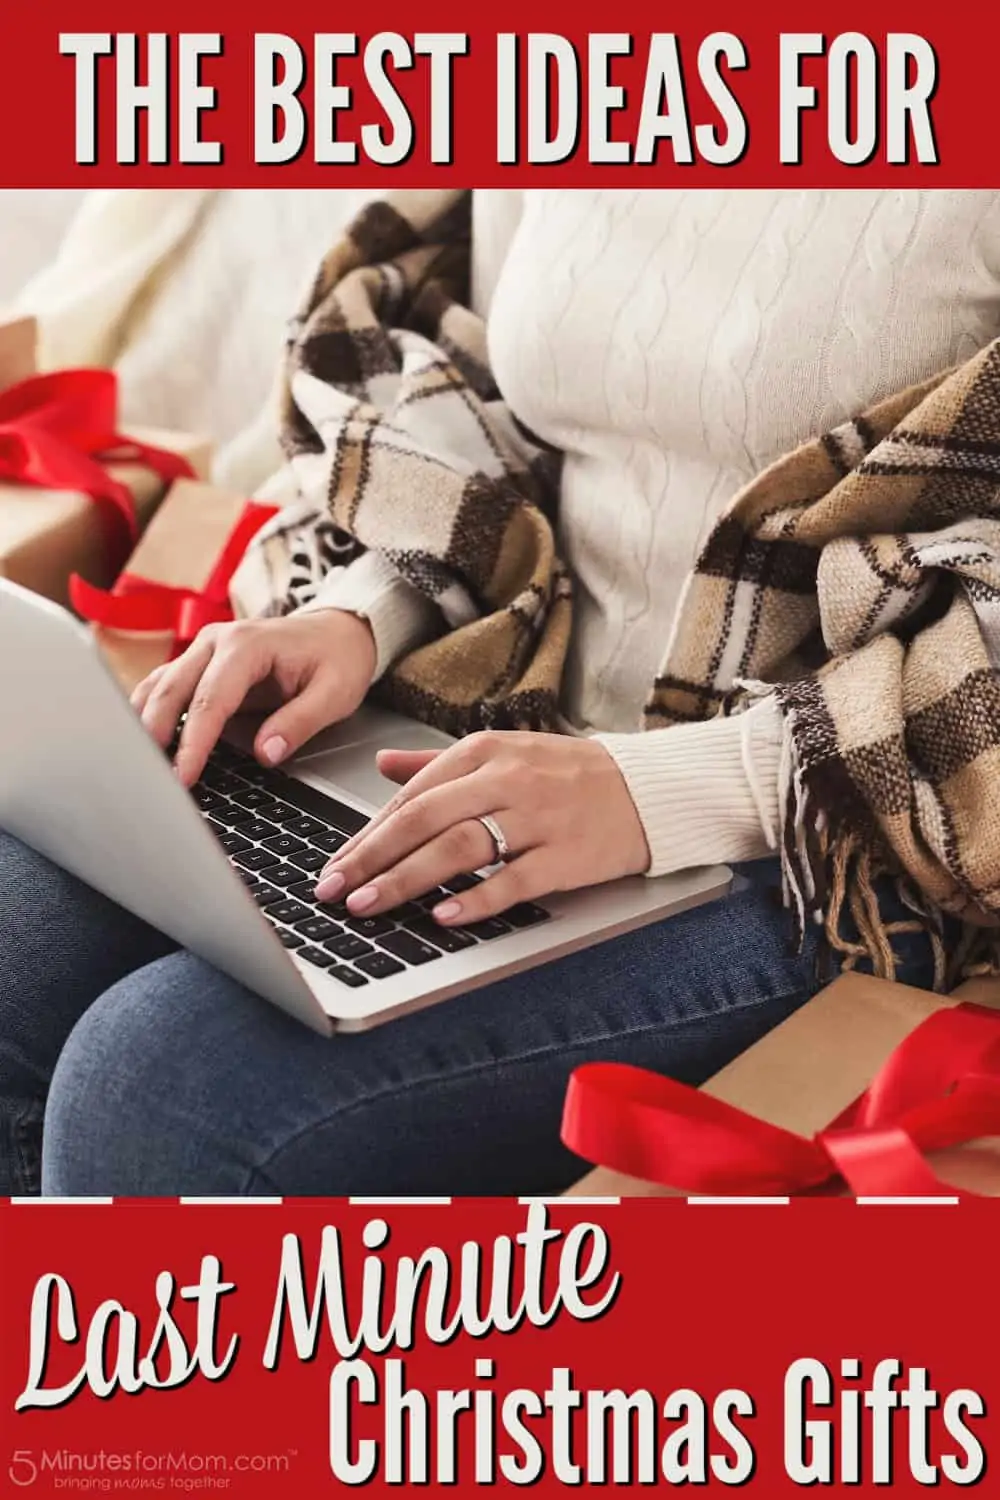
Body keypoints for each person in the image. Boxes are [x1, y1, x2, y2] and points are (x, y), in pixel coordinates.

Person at [3, 188, 998, 1197]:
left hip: (813, 832)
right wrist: (367, 612)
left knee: (160, 1087)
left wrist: (657, 792)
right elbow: (498, 412)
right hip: (488, 713)